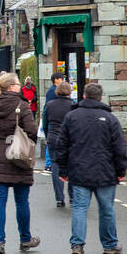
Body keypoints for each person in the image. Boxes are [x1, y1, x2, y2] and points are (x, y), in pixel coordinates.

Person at [54, 82, 127, 254]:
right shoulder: (110, 119)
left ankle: (77, 245)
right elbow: (119, 148)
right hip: (105, 170)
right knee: (106, 208)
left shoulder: (72, 116)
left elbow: (61, 145)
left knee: (79, 208)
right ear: (101, 98)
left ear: (84, 96)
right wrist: (121, 170)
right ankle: (109, 244)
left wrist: (62, 170)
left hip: (79, 170)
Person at [0, 72, 40, 254]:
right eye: (18, 84)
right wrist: (23, 146)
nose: (20, 86)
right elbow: (32, 131)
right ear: (12, 87)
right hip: (19, 157)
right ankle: (25, 239)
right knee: (22, 202)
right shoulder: (22, 105)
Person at [44, 80, 76, 208]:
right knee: (72, 166)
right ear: (69, 91)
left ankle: (59, 198)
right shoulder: (73, 105)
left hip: (54, 138)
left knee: (55, 166)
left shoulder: (49, 105)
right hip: (69, 140)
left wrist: (48, 136)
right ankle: (72, 197)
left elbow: (45, 124)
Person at [42, 72, 65, 170]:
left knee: (51, 141)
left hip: (54, 120)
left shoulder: (52, 90)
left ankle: (50, 163)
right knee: (51, 142)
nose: (62, 80)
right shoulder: (52, 91)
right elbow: (48, 107)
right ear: (56, 79)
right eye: (61, 78)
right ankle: (49, 163)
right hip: (54, 120)